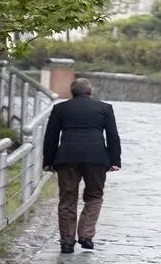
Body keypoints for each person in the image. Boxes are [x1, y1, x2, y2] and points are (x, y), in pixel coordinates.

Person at [43, 78, 121, 253]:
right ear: (90, 92)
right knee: (95, 196)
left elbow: (51, 137)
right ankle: (86, 234)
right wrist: (114, 161)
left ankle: (67, 241)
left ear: (72, 92)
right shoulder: (104, 108)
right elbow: (113, 136)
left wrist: (48, 161)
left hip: (67, 158)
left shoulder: (60, 108)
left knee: (67, 199)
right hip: (96, 158)